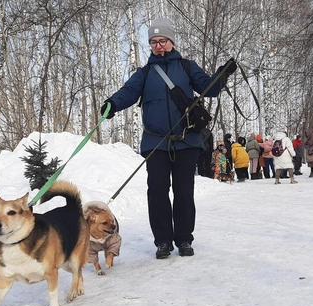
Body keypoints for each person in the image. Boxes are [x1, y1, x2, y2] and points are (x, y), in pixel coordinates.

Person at [100, 18, 236, 259]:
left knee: (184, 191)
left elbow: (210, 88)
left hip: (186, 141)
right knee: (157, 191)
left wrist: (222, 74)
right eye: (153, 42)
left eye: (162, 41)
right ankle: (163, 241)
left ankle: (184, 239)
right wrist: (112, 104)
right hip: (156, 143)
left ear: (171, 41)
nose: (158, 45)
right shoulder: (145, 73)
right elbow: (128, 93)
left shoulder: (186, 67)